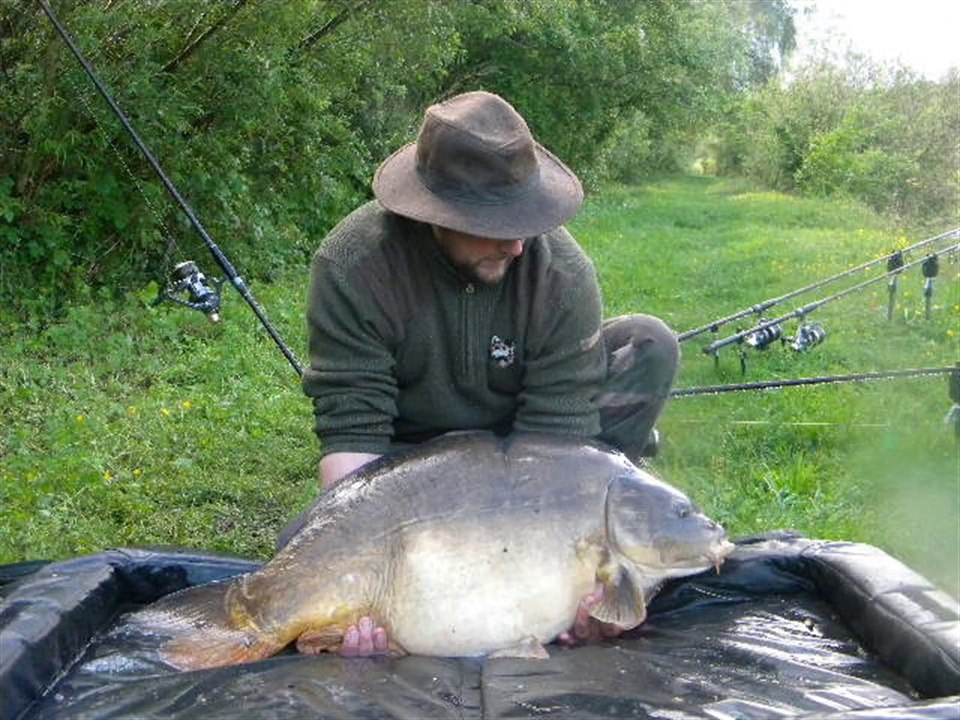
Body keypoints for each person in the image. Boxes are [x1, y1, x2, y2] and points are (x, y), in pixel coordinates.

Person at [299, 91, 680, 656]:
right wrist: (363, 574)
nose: (518, 242)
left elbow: (558, 454)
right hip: (406, 461)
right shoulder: (354, 263)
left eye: (524, 219)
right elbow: (353, 436)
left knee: (650, 342)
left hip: (525, 453)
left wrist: (569, 586)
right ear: (431, 213)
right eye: (494, 224)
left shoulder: (561, 274)